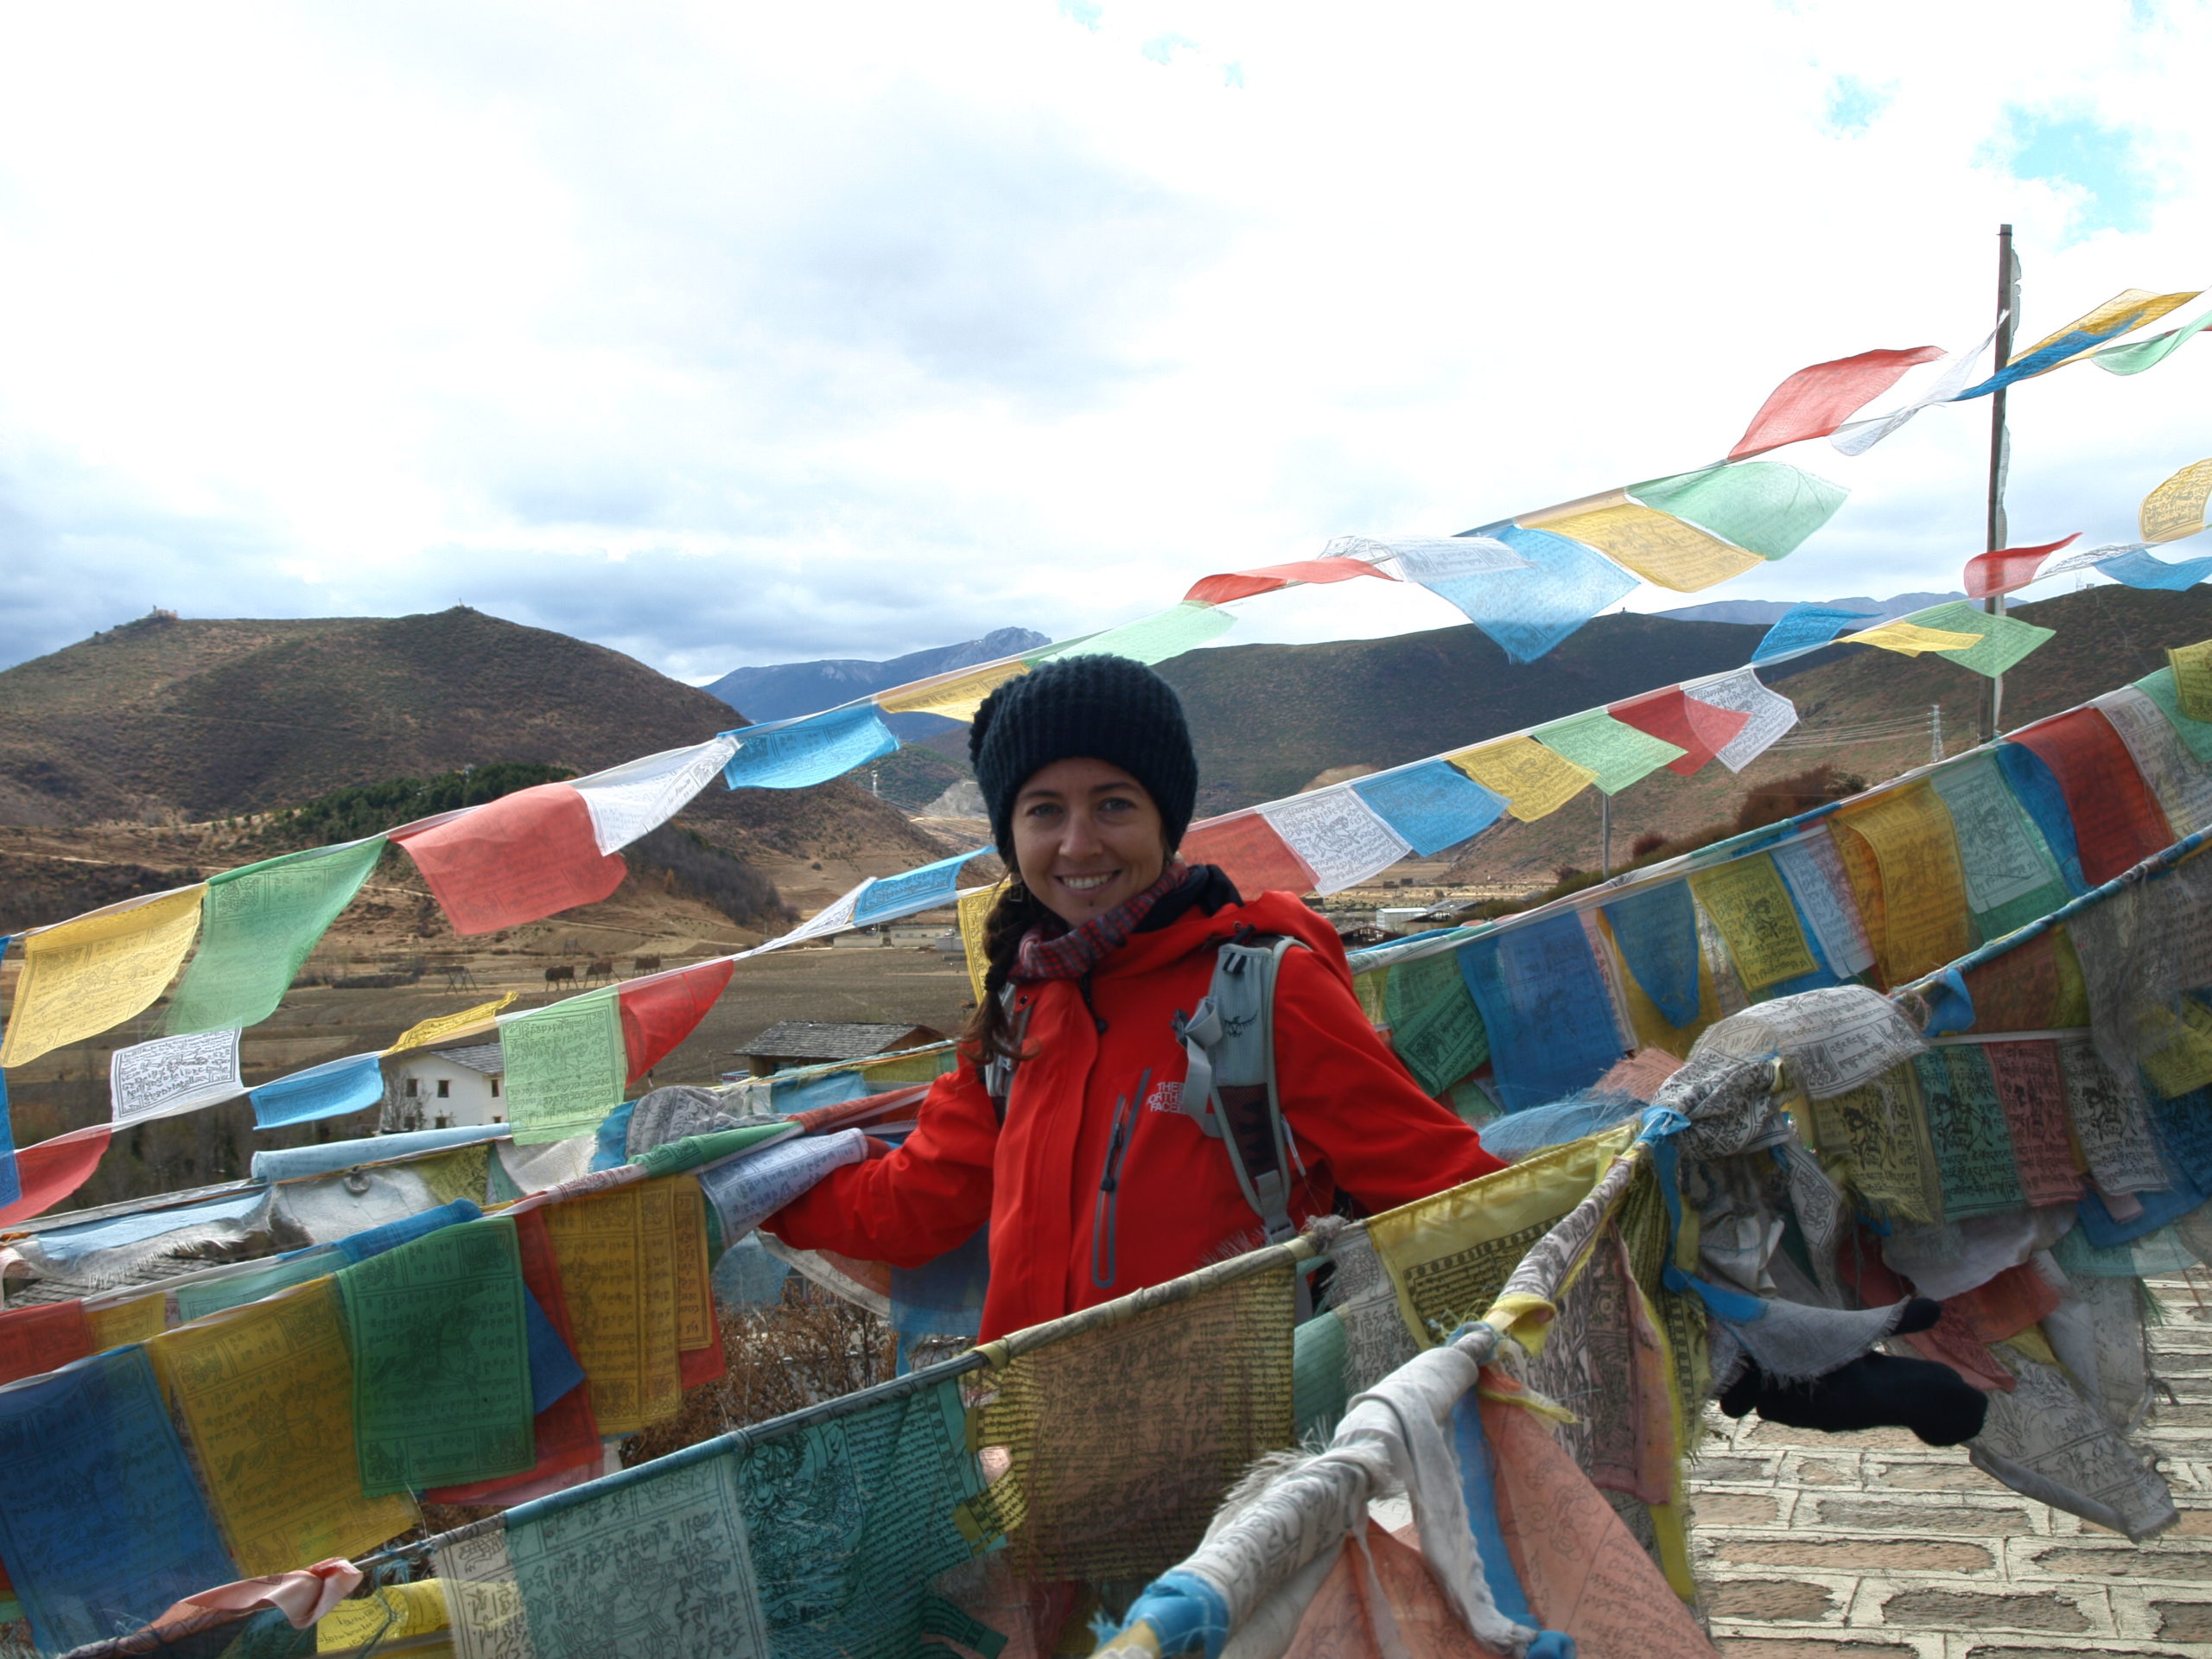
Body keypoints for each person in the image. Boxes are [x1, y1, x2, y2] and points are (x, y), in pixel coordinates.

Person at [766, 656, 1502, 1340]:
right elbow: (912, 1204)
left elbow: (1457, 1200)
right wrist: (734, 1192)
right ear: (1009, 832)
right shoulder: (1017, 1018)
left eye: (1114, 805)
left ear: (1165, 819)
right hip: (1036, 1442)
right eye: (1044, 810)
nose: (1079, 844)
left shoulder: (1267, 994)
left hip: (1250, 1455)